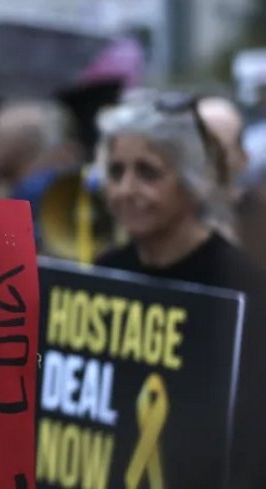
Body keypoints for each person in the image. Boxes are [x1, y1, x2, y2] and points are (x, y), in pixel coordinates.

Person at [92, 89, 266, 488]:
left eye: (148, 173)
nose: (125, 191)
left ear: (191, 181)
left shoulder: (241, 289)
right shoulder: (104, 274)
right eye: (116, 172)